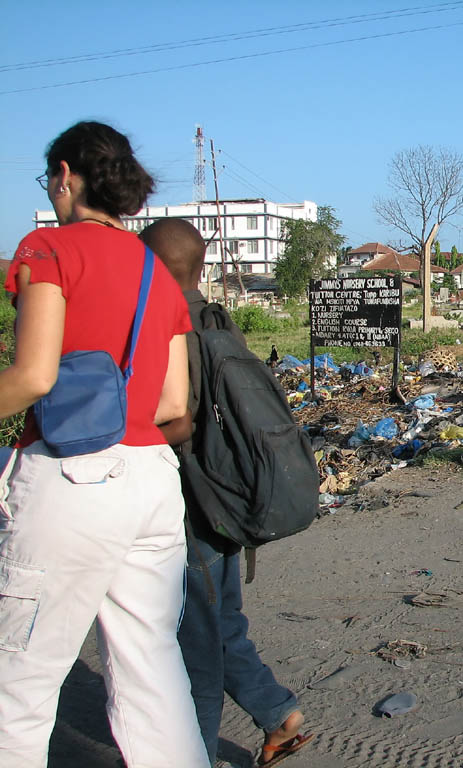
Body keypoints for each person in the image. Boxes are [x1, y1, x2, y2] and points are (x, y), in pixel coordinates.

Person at [0, 122, 209, 766]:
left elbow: (34, 375)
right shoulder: (155, 268)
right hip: (151, 479)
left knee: (20, 682)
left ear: (66, 175)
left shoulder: (48, 248)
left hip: (73, 478)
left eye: (51, 182)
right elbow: (175, 405)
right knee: (153, 669)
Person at [139, 218, 309, 768]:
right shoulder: (219, 323)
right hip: (231, 500)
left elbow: (173, 420)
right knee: (221, 621)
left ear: (150, 266)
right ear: (200, 265)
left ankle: (194, 753)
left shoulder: (162, 330)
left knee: (195, 649)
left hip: (189, 510)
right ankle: (278, 714)